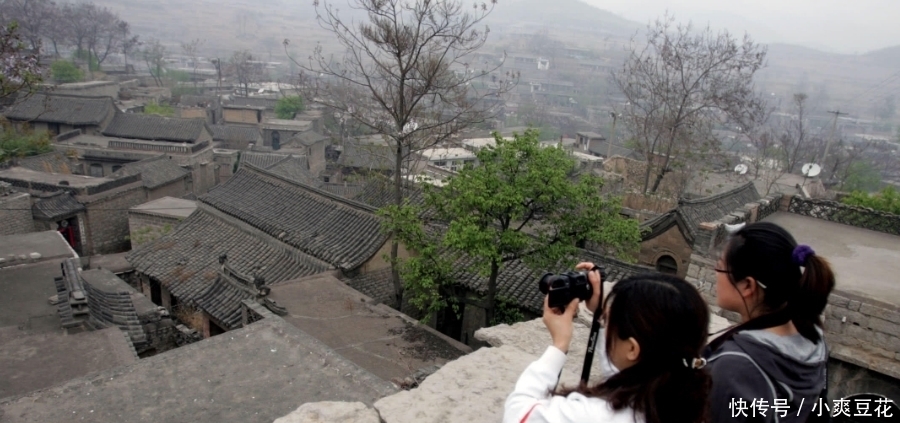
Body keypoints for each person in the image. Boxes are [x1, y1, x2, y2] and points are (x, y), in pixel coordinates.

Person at [504, 263, 712, 423]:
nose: (605, 324)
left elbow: (519, 414)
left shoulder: (592, 415)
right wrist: (600, 312)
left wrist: (559, 345)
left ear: (632, 348)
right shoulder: (680, 401)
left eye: (609, 321)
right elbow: (631, 370)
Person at [703, 222, 836, 423]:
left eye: (720, 267)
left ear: (748, 285)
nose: (716, 273)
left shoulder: (734, 367)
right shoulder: (813, 338)